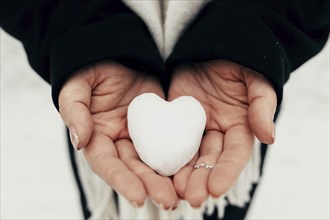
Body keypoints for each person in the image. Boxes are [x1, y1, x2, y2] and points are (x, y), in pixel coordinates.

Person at [1, 1, 329, 219]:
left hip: (233, 100)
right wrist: (82, 32)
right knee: (118, 193)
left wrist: (253, 30)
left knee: (216, 200)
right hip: (102, 101)